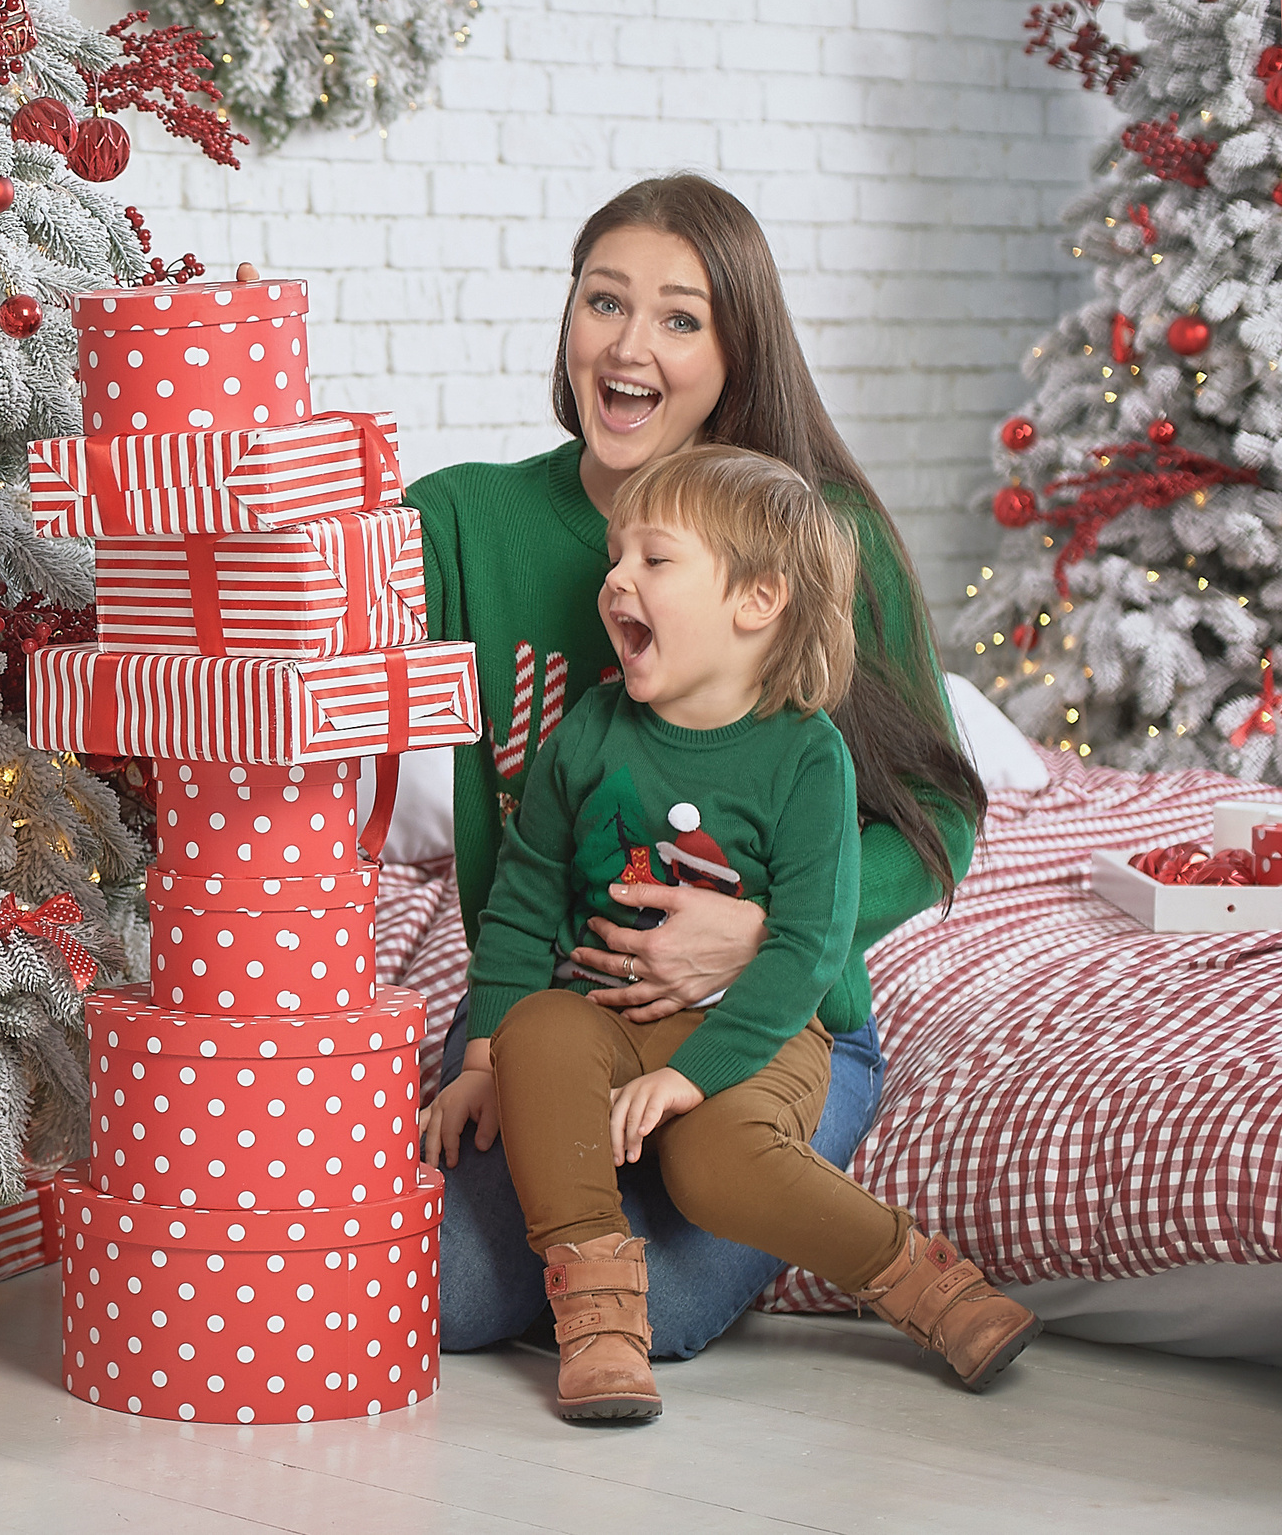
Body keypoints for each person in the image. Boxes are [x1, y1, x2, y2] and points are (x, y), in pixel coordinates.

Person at [252, 174, 986, 1357]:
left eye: (680, 317)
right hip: (546, 1017)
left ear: (735, 353)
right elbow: (299, 618)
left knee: (675, 1312)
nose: (629, 344)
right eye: (604, 302)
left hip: (774, 1013)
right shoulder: (464, 521)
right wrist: (244, 401)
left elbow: (939, 815)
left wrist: (766, 934)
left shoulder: (818, 537)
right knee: (442, 1301)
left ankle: (888, 1265)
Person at [428, 446, 1038, 1420]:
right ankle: (597, 1317)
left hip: (761, 1032)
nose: (614, 578)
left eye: (653, 561)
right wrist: (477, 1055)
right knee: (539, 1032)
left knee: (714, 1166)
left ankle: (922, 1281)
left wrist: (690, 1076)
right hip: (605, 1018)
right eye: (614, 556)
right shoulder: (585, 735)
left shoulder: (805, 759)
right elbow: (522, 895)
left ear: (755, 603)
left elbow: (802, 949)